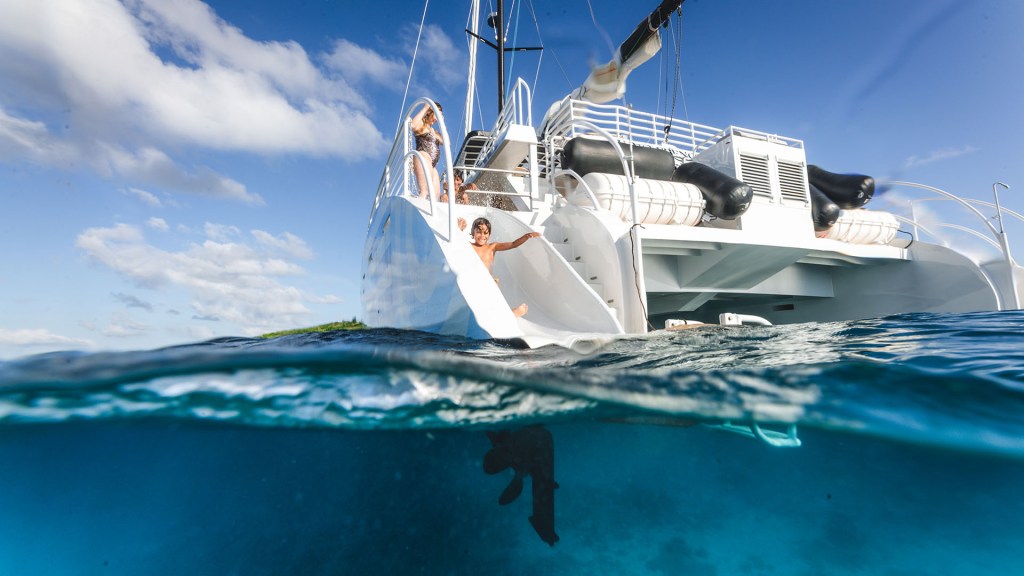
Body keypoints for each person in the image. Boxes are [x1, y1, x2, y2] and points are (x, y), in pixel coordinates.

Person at [469, 217, 540, 317]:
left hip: (488, 282)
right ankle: (507, 314)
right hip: (474, 282)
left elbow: (513, 244)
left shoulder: (492, 247)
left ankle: (508, 313)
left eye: (486, 233)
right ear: (473, 232)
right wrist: (459, 229)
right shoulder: (469, 246)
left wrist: (526, 236)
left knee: (493, 289)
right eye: (479, 232)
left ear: (489, 234)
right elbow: (455, 245)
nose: (482, 236)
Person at [410, 102, 444, 199]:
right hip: (423, 156)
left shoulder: (434, 131)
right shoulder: (421, 125)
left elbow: (446, 142)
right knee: (424, 191)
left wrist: (443, 124)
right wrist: (425, 108)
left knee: (435, 195)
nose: (436, 119)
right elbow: (412, 125)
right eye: (436, 115)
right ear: (430, 112)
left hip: (433, 164)